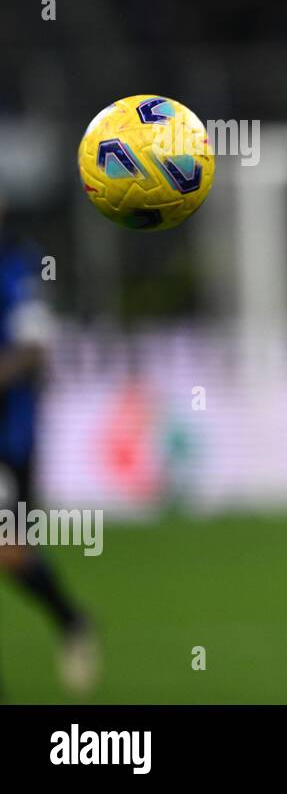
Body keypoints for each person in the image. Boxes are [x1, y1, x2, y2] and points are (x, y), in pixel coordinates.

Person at [0, 204, 99, 698]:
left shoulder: (19, 265)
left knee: (9, 551)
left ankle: (71, 619)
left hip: (9, 438)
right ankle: (71, 619)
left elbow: (35, 348)